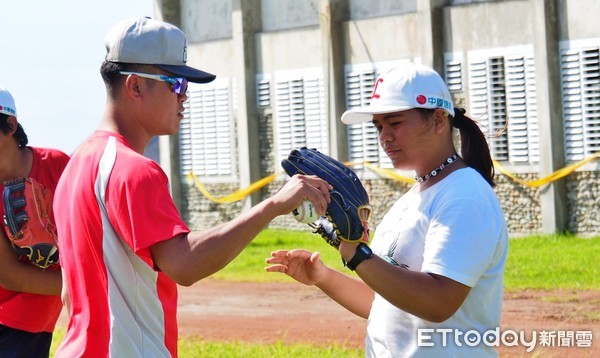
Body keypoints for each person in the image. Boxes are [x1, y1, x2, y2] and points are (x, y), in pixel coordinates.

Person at [52, 17, 331, 358]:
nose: (185, 96)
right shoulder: (133, 170)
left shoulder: (75, 166)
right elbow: (185, 264)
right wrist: (273, 205)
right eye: (177, 83)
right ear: (136, 87)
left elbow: (69, 293)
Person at [266, 63, 509, 357]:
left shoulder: (464, 196)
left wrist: (357, 255)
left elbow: (437, 302)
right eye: (379, 126)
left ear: (439, 120)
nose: (385, 137)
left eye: (395, 123)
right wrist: (324, 277)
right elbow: (388, 303)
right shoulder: (416, 195)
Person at [0, 87, 70, 357]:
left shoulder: (58, 166)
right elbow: (9, 275)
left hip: (34, 325)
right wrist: (84, 284)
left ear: (10, 125)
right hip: (10, 323)